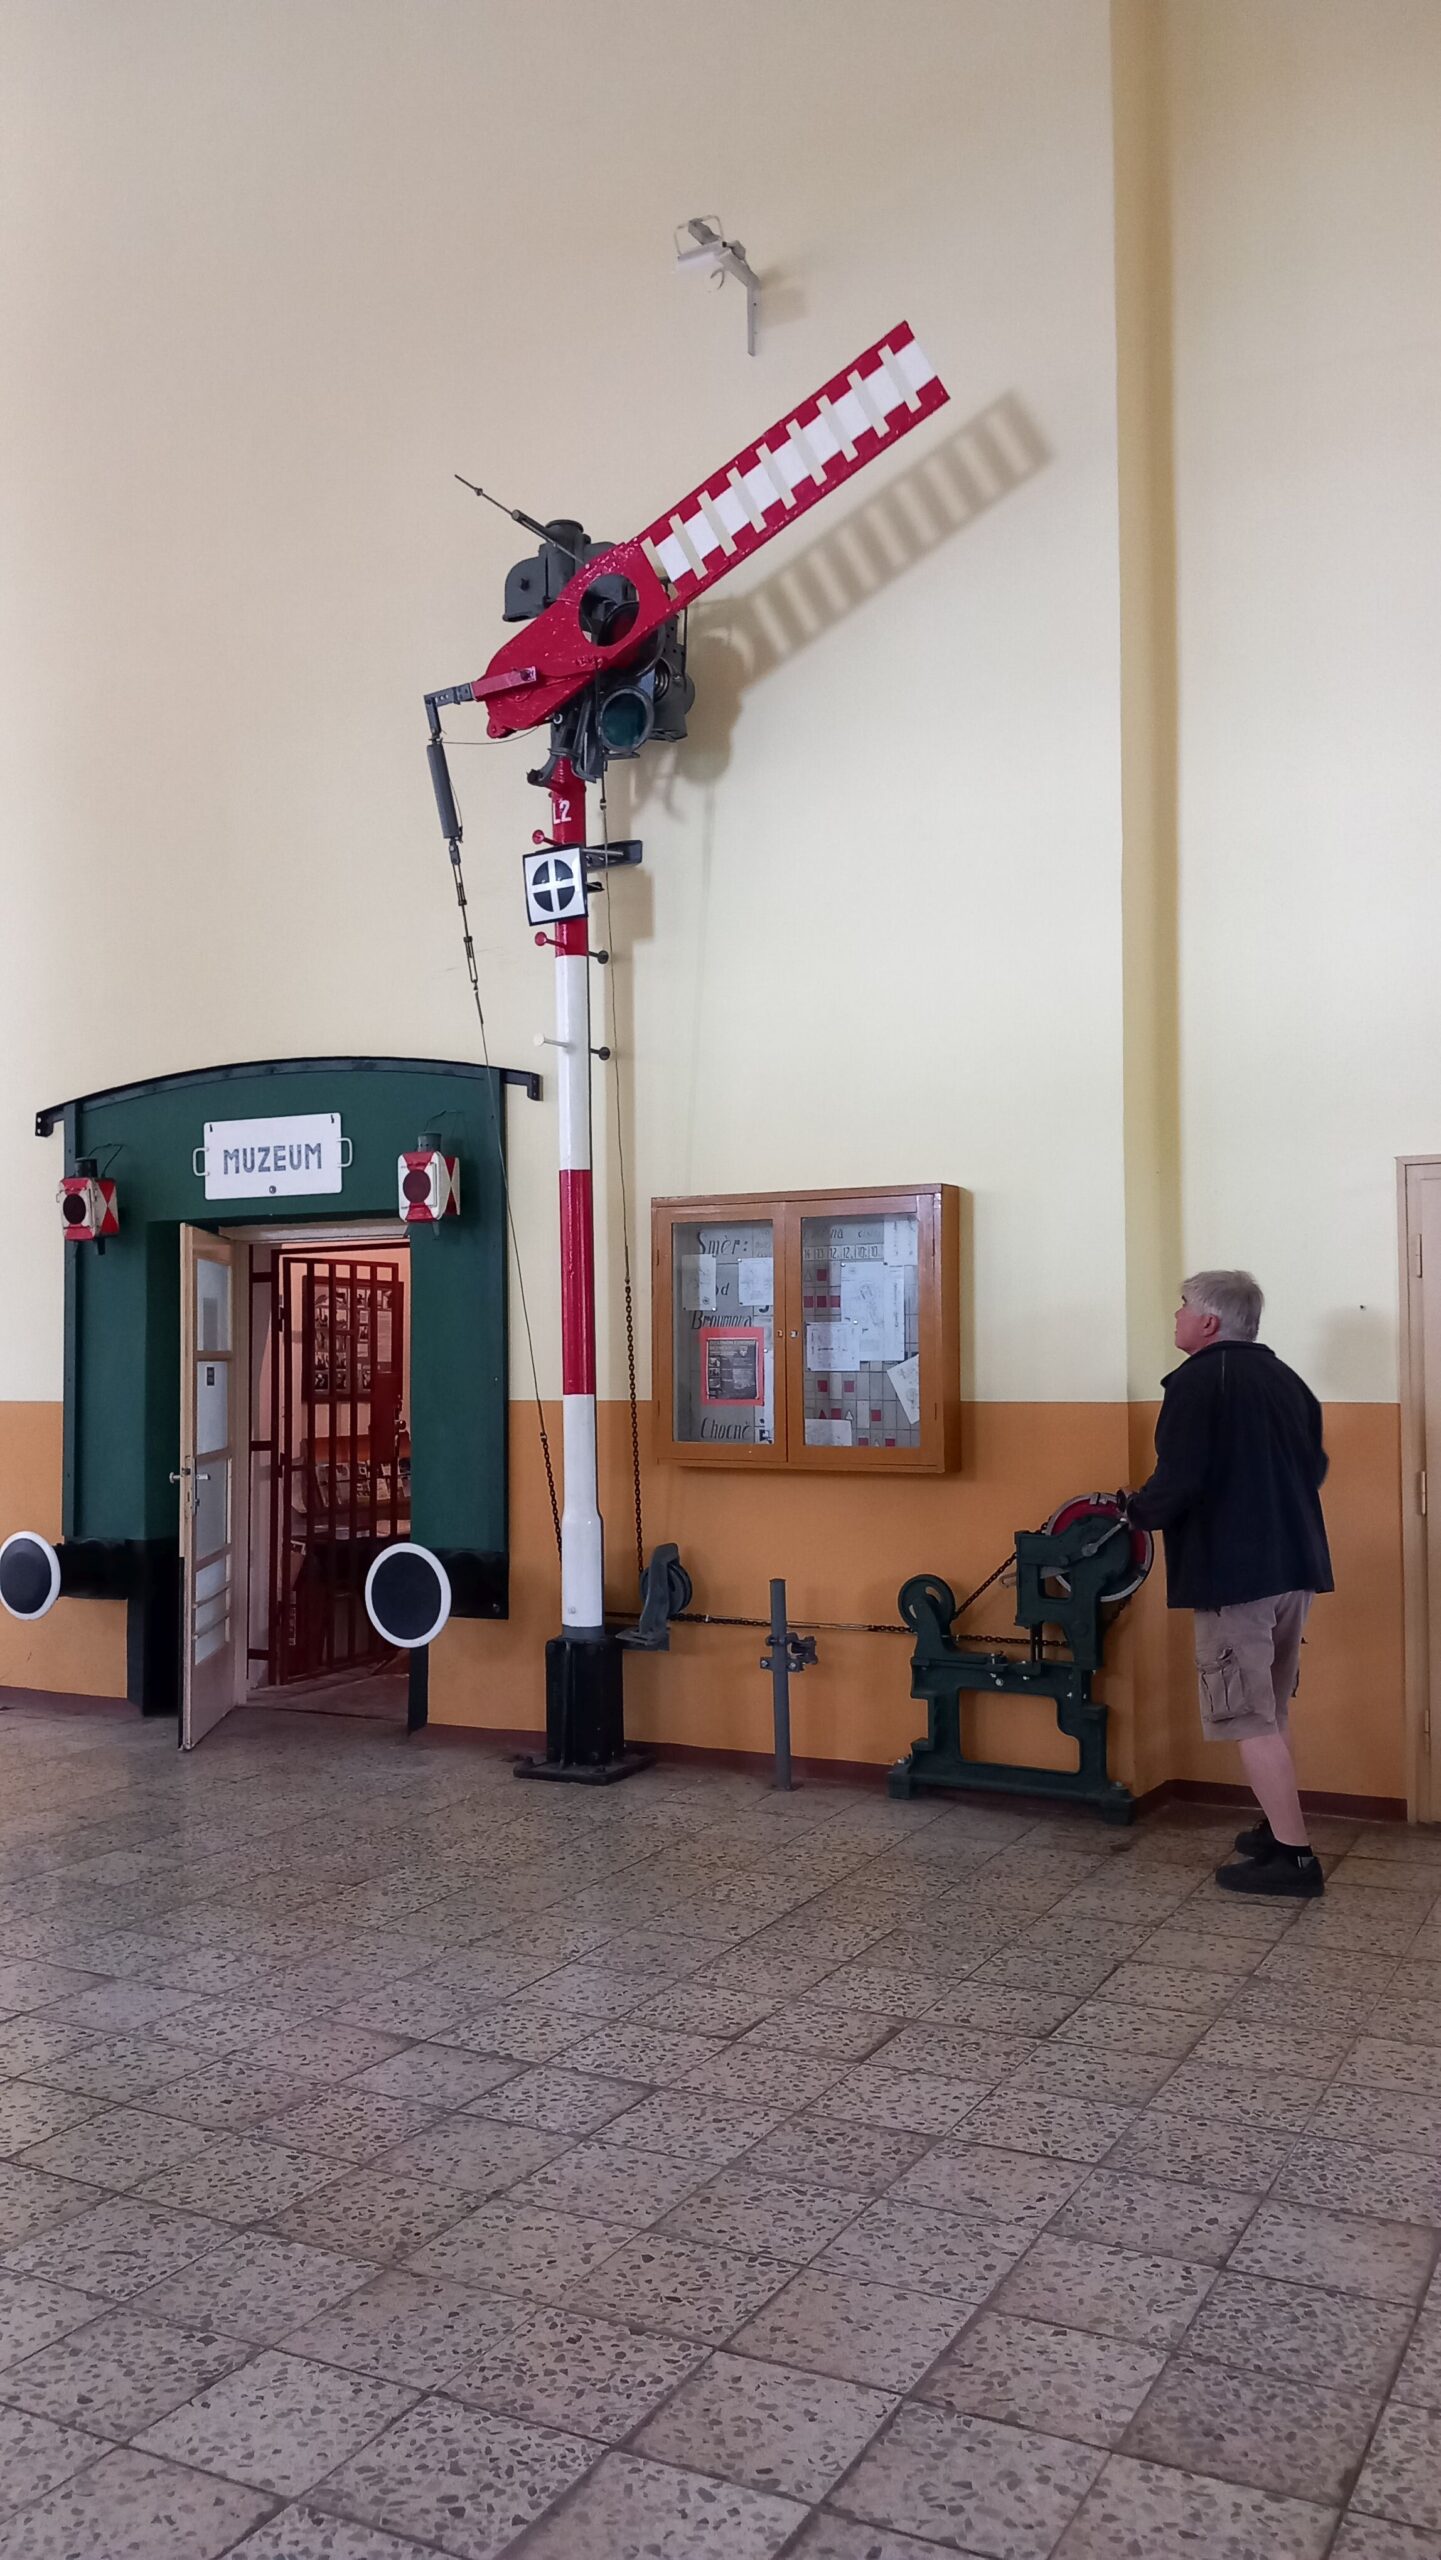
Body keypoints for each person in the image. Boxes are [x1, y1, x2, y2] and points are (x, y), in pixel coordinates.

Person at [1126, 1271, 1332, 1896]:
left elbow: (1180, 1478)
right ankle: (1278, 1826)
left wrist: (1135, 1511)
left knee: (1247, 1716)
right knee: (1271, 1706)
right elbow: (1314, 1466)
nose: (1177, 1315)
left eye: (1183, 1306)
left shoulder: (1195, 1382)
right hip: (1295, 1565)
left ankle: (1295, 1860)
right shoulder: (1286, 1378)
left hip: (1236, 1575)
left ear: (1209, 1322)